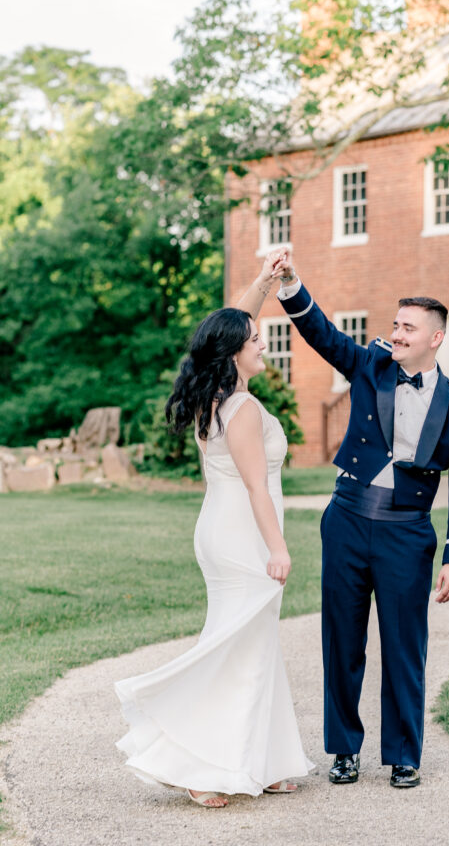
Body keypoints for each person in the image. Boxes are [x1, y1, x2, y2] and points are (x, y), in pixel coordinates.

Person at [114, 253, 312, 808]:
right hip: (243, 536)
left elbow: (227, 326)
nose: (263, 343)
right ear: (234, 354)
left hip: (221, 531)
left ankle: (264, 761)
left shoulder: (214, 397)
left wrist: (265, 284)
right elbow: (256, 487)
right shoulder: (242, 408)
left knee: (254, 646)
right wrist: (278, 548)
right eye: (255, 340)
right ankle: (199, 765)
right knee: (238, 651)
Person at [276, 253, 449, 789]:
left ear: (436, 338)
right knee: (342, 640)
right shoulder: (371, 364)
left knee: (403, 645)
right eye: (395, 324)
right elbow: (323, 336)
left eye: (408, 328)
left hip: (407, 532)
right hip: (345, 520)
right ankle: (344, 751)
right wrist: (292, 284)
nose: (396, 334)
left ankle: (404, 754)